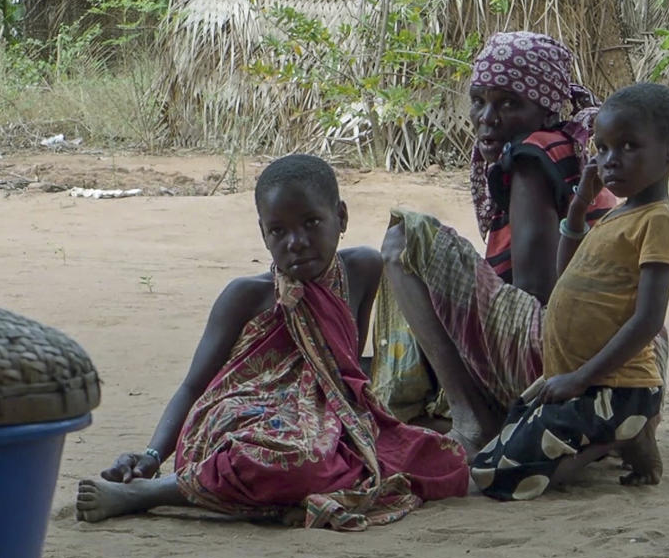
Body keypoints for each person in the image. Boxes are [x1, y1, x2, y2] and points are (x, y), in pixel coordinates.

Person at [76, 155, 469, 531]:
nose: (296, 242)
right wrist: (151, 457)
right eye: (278, 230)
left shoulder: (362, 270)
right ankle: (154, 493)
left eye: (312, 222)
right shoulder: (246, 296)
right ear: (263, 234)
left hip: (327, 423)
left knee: (444, 461)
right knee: (295, 462)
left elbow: (341, 372)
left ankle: (277, 484)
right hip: (244, 423)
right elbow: (194, 386)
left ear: (342, 217)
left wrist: (355, 425)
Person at [374, 31, 642, 450]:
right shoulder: (572, 150)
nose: (487, 117)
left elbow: (536, 291)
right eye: (479, 100)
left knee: (405, 239)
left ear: (545, 109)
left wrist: (465, 315)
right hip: (622, 361)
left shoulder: (532, 158)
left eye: (509, 103)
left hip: (560, 354)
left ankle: (472, 420)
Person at [470, 82, 669, 500]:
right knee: (487, 460)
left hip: (615, 387)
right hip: (581, 384)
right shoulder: (620, 214)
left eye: (627, 147)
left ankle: (623, 435)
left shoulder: (658, 219)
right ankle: (616, 435)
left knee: (503, 481)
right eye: (602, 149)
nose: (610, 161)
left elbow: (648, 320)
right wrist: (576, 209)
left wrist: (579, 378)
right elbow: (565, 271)